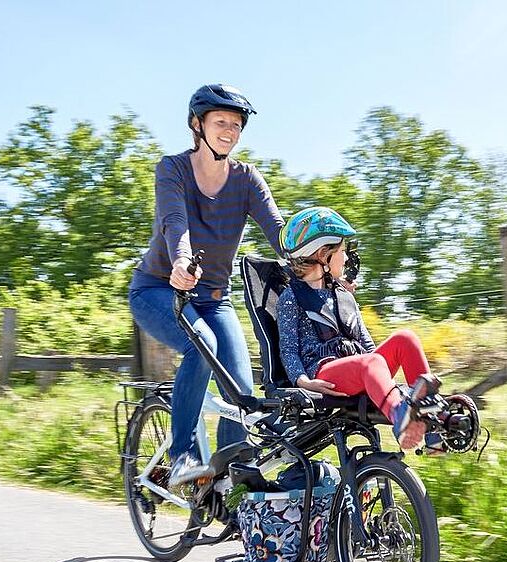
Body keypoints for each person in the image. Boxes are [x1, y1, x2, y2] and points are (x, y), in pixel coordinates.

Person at [128, 84, 287, 486]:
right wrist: (181, 261)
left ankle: (224, 483)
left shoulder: (246, 180)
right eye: (221, 122)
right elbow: (174, 222)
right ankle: (183, 456)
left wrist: (321, 258)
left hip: (215, 299)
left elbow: (279, 233)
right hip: (158, 289)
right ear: (197, 125)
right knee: (202, 344)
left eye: (236, 125)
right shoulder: (173, 169)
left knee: (241, 393)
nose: (230, 131)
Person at [275, 206, 441, 451]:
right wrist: (303, 381)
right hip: (323, 372)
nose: (346, 258)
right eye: (342, 251)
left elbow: (367, 346)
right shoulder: (291, 298)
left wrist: (380, 373)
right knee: (370, 362)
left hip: (359, 366)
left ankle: (434, 426)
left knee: (405, 339)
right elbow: (288, 349)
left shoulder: (343, 295)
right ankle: (400, 416)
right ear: (323, 254)